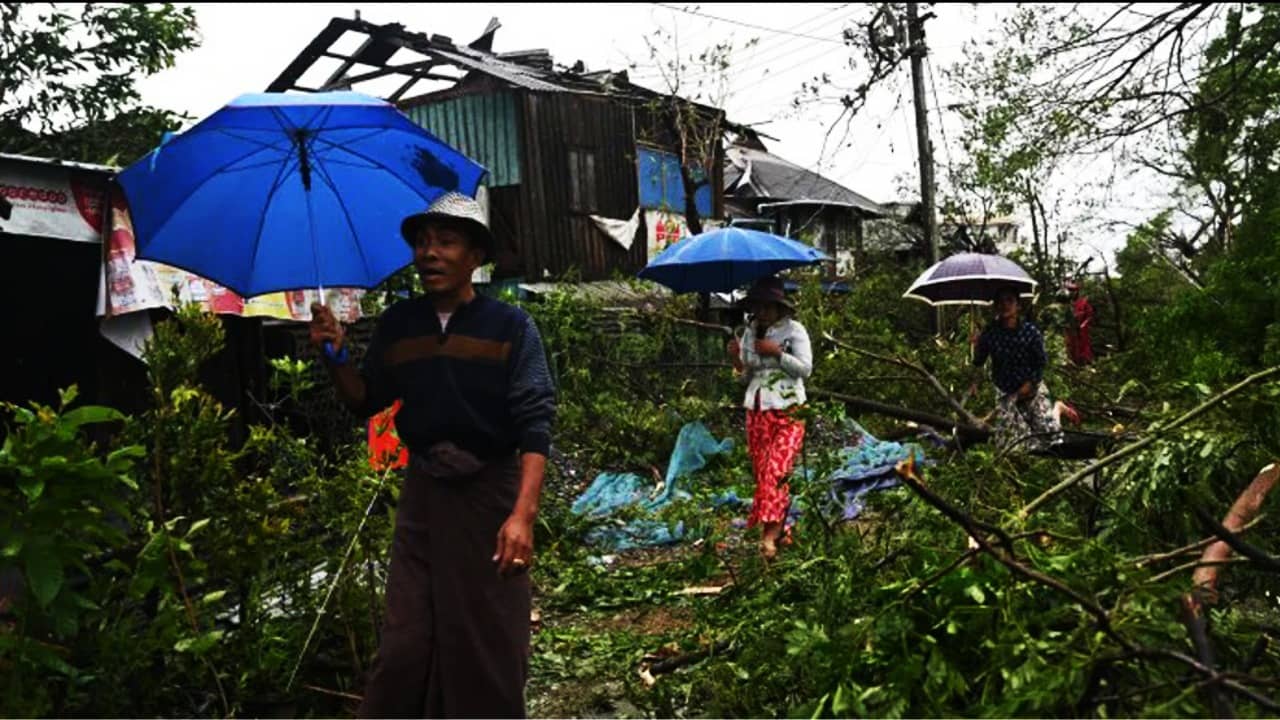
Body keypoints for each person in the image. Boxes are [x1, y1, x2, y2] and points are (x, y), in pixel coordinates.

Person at [309, 191, 556, 718]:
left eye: (445, 242)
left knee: (487, 639)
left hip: (491, 495)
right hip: (423, 497)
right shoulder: (400, 325)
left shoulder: (511, 327)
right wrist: (334, 354)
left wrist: (523, 516)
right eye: (422, 242)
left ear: (476, 257)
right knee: (406, 641)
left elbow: (536, 422)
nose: (430, 253)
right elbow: (365, 400)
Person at [727, 276, 813, 560]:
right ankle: (781, 529)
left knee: (777, 471)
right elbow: (747, 376)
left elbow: (805, 369)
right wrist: (738, 362)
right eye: (757, 307)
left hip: (789, 408)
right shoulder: (750, 332)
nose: (761, 312)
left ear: (778, 306)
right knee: (764, 473)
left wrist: (777, 353)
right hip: (757, 409)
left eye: (766, 306)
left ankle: (768, 539)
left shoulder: (794, 330)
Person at [971, 285, 1062, 452]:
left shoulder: (1030, 332)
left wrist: (1030, 383)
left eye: (1009, 300)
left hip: (1032, 390)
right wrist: (974, 381)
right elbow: (978, 361)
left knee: (1052, 439)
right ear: (995, 306)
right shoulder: (990, 333)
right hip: (1006, 393)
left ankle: (1058, 408)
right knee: (1015, 445)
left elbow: (1041, 362)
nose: (1004, 305)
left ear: (1018, 306)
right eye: (1000, 301)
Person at [1063, 280, 1095, 366]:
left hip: (1082, 331)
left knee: (1083, 348)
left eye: (1074, 290)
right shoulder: (1066, 304)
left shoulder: (1084, 302)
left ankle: (1085, 364)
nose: (1072, 292)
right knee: (1070, 347)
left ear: (1077, 291)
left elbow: (1089, 316)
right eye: (1070, 290)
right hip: (1069, 331)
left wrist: (1083, 325)